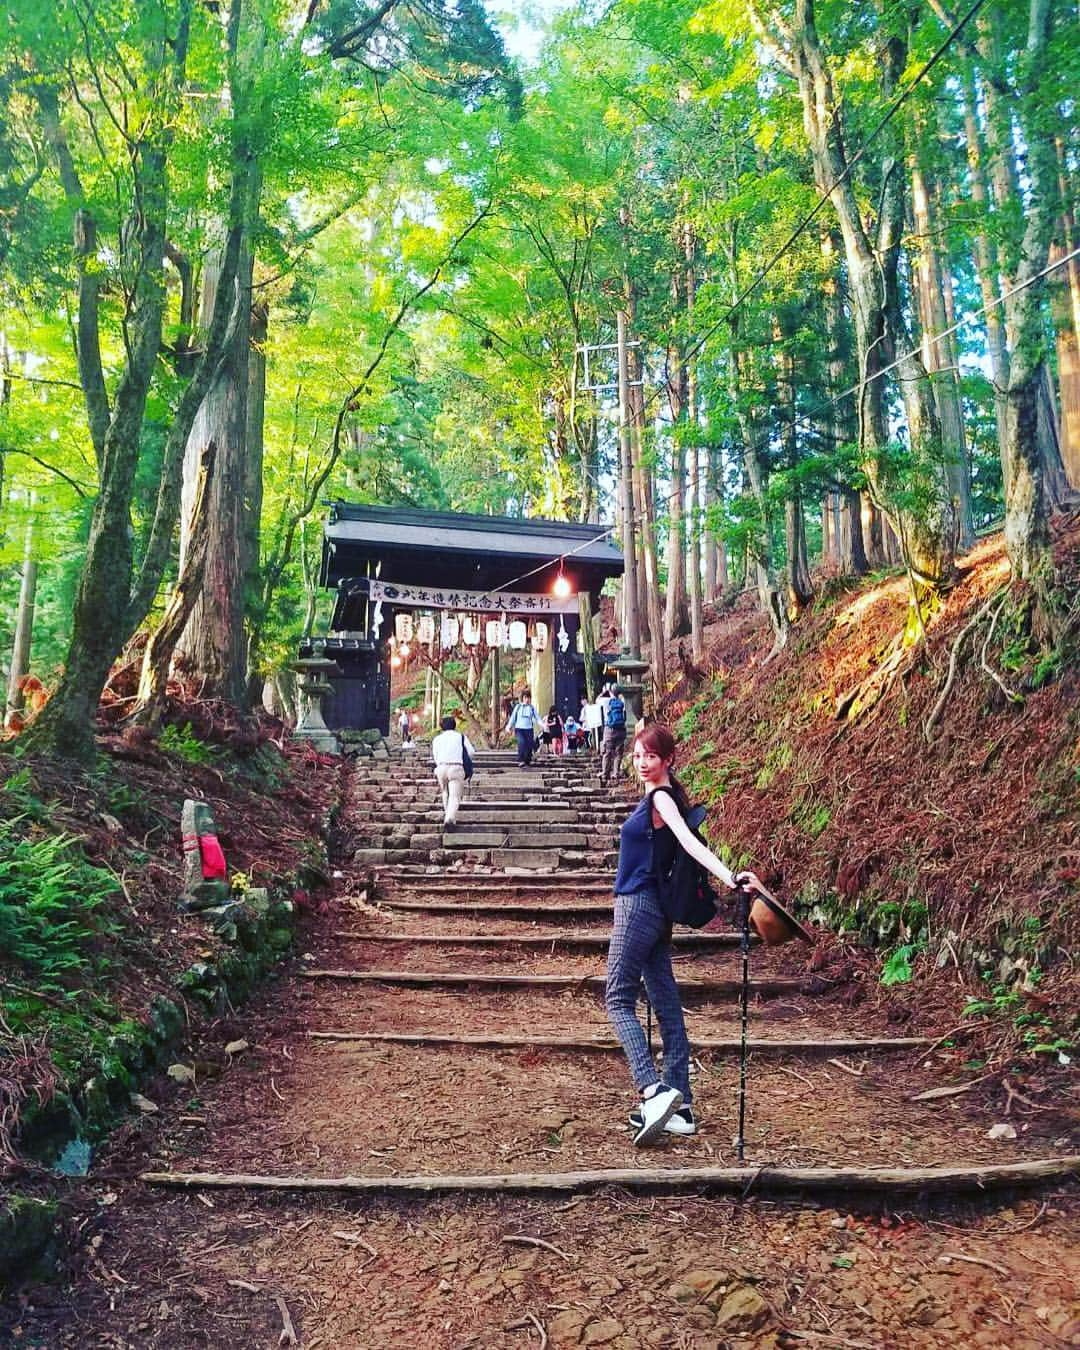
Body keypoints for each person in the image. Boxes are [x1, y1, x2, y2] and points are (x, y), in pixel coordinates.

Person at [606, 723, 762, 1145]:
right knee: (665, 1004)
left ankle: (653, 1091)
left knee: (617, 997)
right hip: (656, 912)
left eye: (650, 756)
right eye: (637, 755)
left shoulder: (660, 797)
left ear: (668, 760)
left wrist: (730, 876)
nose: (641, 763)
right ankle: (683, 1107)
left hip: (637, 906)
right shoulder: (662, 794)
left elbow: (690, 843)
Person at [430, 715, 475, 825]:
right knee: (454, 796)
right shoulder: (460, 737)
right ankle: (449, 819)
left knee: (445, 792)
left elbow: (435, 755)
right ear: (454, 725)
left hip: (441, 768)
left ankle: (448, 814)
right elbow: (471, 752)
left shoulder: (437, 739)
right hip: (456, 767)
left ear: (441, 727)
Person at [505, 689, 543, 766]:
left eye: (529, 698)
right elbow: (513, 718)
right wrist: (508, 727)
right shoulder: (518, 707)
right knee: (521, 743)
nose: (527, 700)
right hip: (519, 729)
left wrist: (542, 724)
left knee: (529, 745)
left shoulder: (532, 708)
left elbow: (537, 718)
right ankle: (521, 760)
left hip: (529, 729)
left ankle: (528, 760)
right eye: (525, 697)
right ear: (523, 698)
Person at [599, 686, 627, 785]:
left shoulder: (606, 701)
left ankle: (605, 774)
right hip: (621, 730)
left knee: (607, 753)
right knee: (618, 753)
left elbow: (597, 700)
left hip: (609, 730)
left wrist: (604, 692)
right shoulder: (622, 702)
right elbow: (625, 716)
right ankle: (616, 773)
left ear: (611, 692)